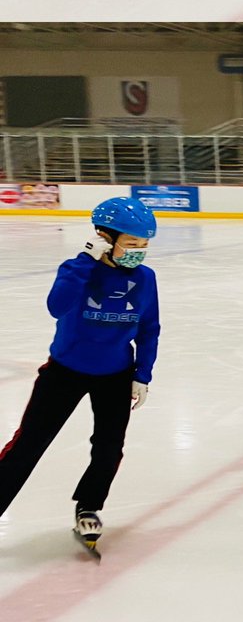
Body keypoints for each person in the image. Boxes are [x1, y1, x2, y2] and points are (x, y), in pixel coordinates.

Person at [0, 197, 160, 557]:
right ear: (106, 238)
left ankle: (88, 506)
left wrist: (142, 374)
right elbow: (57, 306)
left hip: (116, 376)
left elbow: (149, 328)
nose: (140, 253)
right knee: (27, 446)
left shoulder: (145, 279)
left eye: (145, 246)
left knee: (108, 449)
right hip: (64, 373)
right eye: (132, 244)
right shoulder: (78, 270)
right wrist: (85, 261)